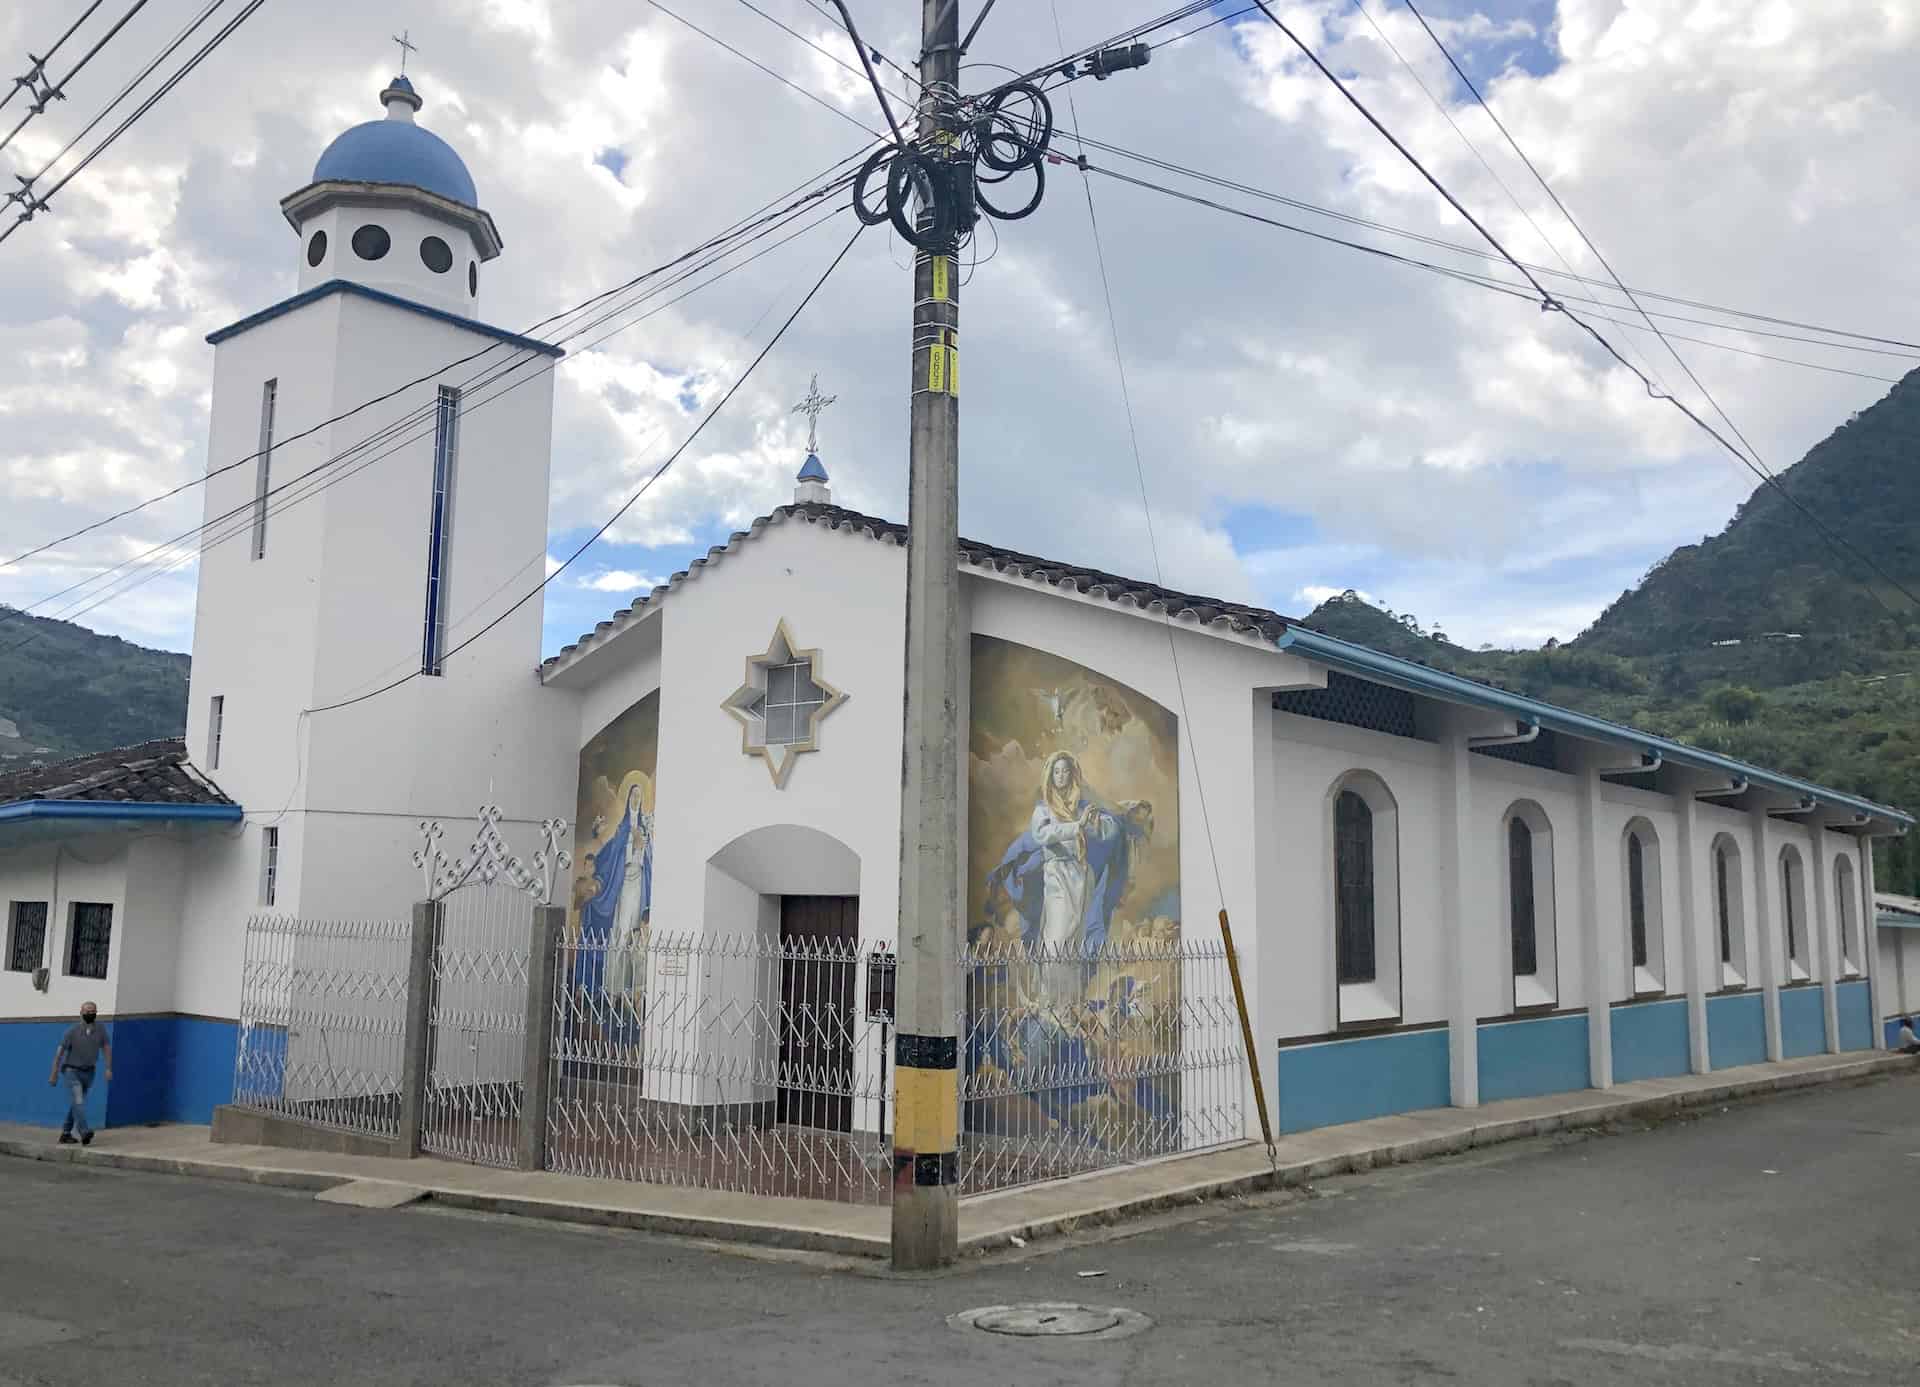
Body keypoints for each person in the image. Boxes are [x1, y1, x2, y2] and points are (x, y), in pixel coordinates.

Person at [48, 1002, 112, 1145]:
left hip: (89, 1072)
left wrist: (108, 1068)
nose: (91, 1013)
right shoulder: (72, 1031)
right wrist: (54, 1073)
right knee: (78, 1100)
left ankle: (65, 1133)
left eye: (93, 1011)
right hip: (72, 1071)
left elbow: (106, 1048)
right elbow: (60, 1053)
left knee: (77, 1104)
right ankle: (84, 1132)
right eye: (88, 1010)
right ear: (81, 1012)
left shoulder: (100, 1029)